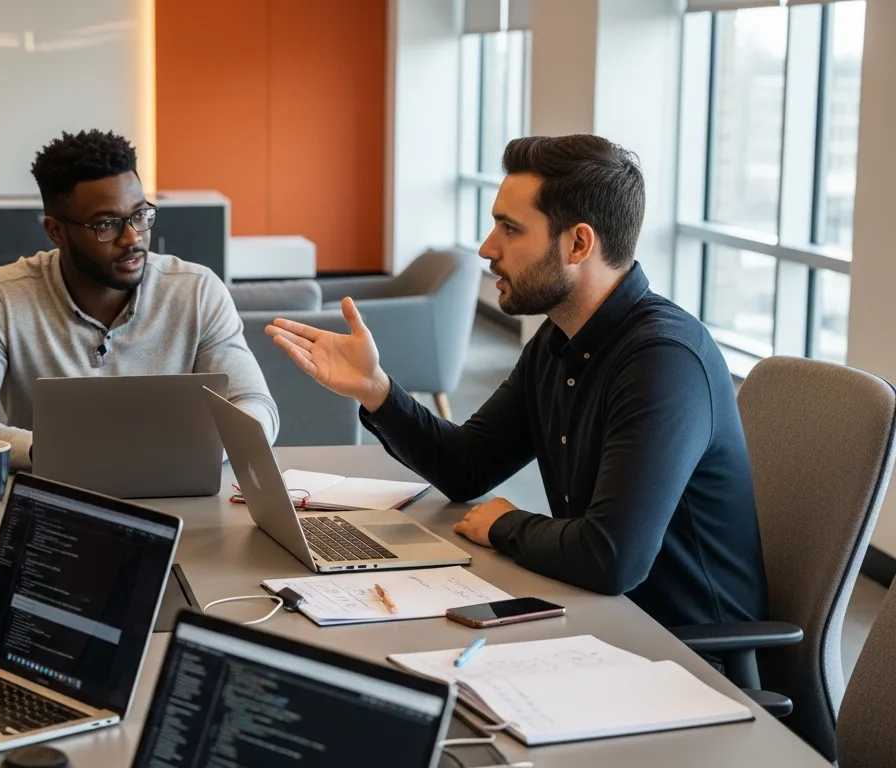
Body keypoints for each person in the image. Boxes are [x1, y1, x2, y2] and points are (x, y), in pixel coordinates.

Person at [266, 135, 766, 631]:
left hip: (684, 650)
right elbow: (469, 467)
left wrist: (504, 524)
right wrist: (376, 388)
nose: (488, 248)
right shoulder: (559, 338)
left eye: (510, 228)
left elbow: (613, 558)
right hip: (596, 612)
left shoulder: (663, 362)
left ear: (578, 244)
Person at [0, 129, 278, 468]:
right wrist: (54, 452)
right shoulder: (2, 296)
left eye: (140, 215)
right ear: (56, 231)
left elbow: (256, 406)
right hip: (55, 494)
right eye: (106, 224)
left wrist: (192, 452)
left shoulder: (197, 291)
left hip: (179, 491)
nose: (132, 238)